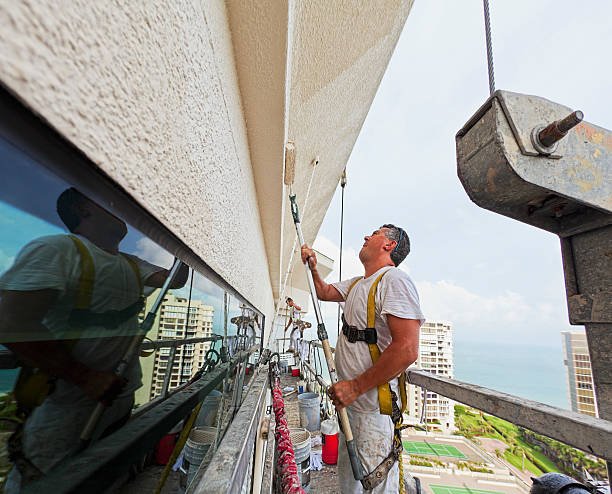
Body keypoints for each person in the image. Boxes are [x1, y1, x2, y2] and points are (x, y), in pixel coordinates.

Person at [0, 188, 188, 491]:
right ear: (83, 209)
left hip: (115, 401)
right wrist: (85, 377)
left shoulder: (131, 264)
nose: (119, 206)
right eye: (106, 198)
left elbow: (174, 280)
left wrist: (185, 236)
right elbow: (10, 323)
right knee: (47, 482)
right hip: (66, 408)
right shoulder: (59, 250)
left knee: (103, 480)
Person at [301, 224, 424, 493]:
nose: (367, 236)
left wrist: (355, 387)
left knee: (373, 483)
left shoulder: (394, 281)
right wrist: (313, 267)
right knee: (352, 482)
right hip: (352, 405)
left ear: (389, 245)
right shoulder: (359, 283)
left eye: (376, 233)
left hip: (370, 409)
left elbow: (406, 349)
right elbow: (323, 292)